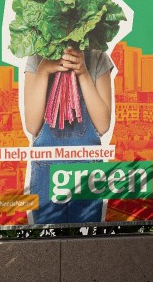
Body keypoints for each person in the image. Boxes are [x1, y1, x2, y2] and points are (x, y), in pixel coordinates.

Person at [19, 44, 115, 223]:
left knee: (86, 236)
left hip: (87, 169)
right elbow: (32, 125)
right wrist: (43, 71)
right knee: (48, 236)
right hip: (46, 170)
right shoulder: (36, 58)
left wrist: (84, 73)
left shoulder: (98, 57)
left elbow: (103, 125)